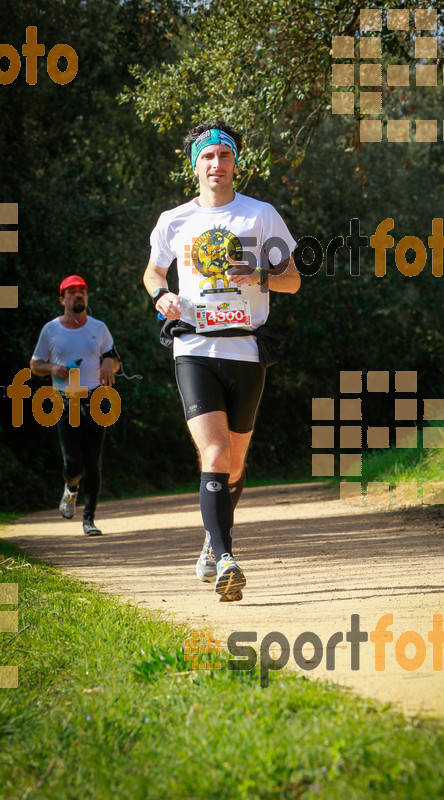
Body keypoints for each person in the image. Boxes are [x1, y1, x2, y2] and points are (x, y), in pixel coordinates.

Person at [143, 121, 300, 602]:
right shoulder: (174, 220)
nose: (217, 165)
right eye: (207, 157)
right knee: (214, 455)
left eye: (224, 156)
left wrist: (261, 276)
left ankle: (213, 541)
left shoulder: (261, 216)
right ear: (195, 165)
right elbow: (153, 272)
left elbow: (292, 280)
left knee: (233, 464)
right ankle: (228, 557)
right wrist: (161, 297)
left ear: (236, 163)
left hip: (246, 350)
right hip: (193, 347)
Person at [30, 275, 120, 536]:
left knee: (93, 463)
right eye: (72, 292)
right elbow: (35, 364)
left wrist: (107, 363)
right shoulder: (51, 330)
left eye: (82, 291)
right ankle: (70, 488)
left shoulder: (99, 328)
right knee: (73, 464)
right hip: (65, 399)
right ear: (62, 299)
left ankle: (89, 520)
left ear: (87, 297)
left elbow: (113, 360)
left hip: (96, 398)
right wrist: (52, 367)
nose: (78, 294)